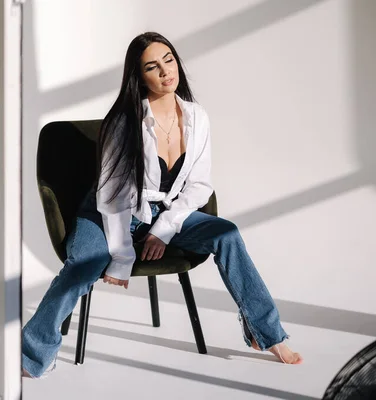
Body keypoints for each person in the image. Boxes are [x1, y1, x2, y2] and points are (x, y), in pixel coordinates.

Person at [22, 31, 302, 379]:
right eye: (152, 67)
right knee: (84, 264)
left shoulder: (197, 117)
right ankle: (33, 355)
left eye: (169, 60)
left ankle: (268, 334)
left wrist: (163, 230)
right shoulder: (124, 123)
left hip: (163, 212)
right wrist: (122, 255)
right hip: (108, 212)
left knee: (226, 234)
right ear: (139, 77)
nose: (166, 71)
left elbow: (199, 185)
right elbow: (111, 195)